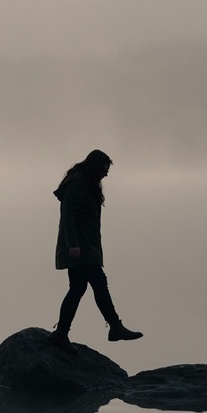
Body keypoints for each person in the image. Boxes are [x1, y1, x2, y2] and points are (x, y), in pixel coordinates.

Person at [48, 150, 142, 354]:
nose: (105, 174)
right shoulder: (77, 183)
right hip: (79, 249)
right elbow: (68, 215)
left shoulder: (87, 182)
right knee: (99, 283)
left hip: (85, 247)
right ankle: (115, 328)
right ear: (94, 167)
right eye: (104, 170)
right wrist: (73, 244)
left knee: (77, 289)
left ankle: (61, 333)